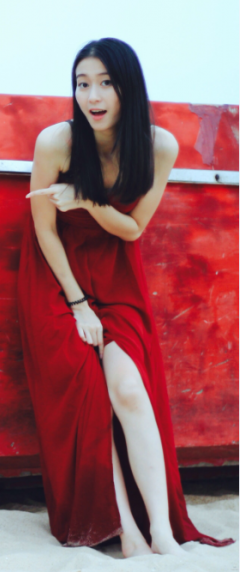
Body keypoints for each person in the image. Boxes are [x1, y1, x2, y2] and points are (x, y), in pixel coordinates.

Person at [17, 37, 234, 558]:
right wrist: (77, 305)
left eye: (105, 83)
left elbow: (133, 229)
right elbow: (44, 229)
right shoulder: (57, 142)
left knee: (130, 391)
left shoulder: (160, 146)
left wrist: (86, 200)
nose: (92, 96)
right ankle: (128, 533)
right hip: (56, 278)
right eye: (82, 83)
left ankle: (161, 531)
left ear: (128, 87)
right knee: (89, 395)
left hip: (117, 274)